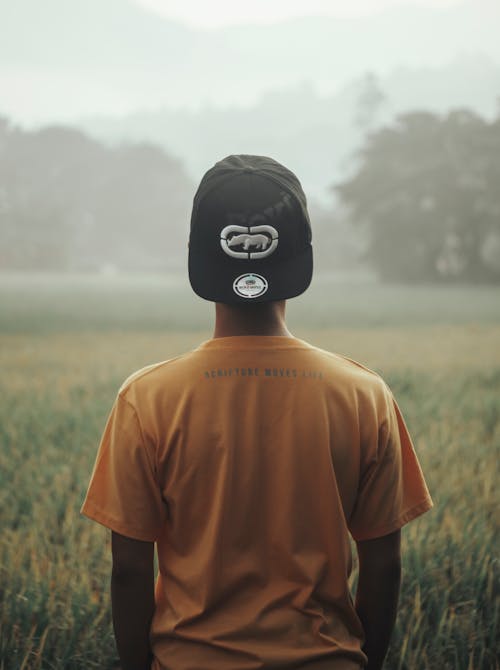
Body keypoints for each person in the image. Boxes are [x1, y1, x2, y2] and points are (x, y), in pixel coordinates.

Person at [81, 154, 433, 670]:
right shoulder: (364, 394)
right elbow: (384, 565)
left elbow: (130, 570)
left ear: (195, 257)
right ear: (303, 254)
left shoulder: (147, 398)